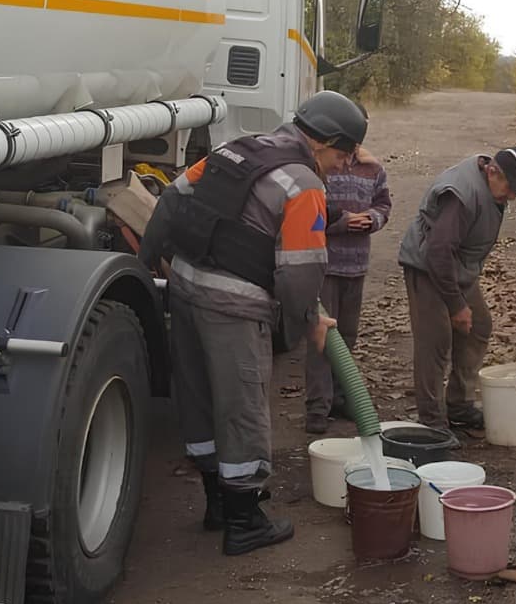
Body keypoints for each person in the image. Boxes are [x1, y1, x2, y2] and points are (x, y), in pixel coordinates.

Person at [137, 90, 368, 556]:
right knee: (241, 408)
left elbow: (170, 201)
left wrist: (151, 262)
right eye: (344, 155)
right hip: (233, 306)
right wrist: (307, 323)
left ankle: (217, 504)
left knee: (198, 398)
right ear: (323, 141)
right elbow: (301, 268)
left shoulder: (236, 149)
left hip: (184, 286)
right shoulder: (304, 184)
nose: (344, 166)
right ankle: (244, 522)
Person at [397, 146, 516, 431]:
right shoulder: (460, 195)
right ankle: (432, 422)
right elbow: (438, 253)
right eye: (511, 188)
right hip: (427, 268)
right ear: (493, 171)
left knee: (479, 327)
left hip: (457, 267)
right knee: (435, 342)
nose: (511, 196)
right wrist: (456, 305)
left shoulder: (490, 182)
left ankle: (460, 405)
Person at [303, 139, 392, 434]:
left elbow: (384, 204)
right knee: (323, 339)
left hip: (357, 266)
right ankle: (317, 406)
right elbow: (310, 215)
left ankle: (340, 398)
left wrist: (372, 219)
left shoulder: (372, 167)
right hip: (326, 264)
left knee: (348, 336)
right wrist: (343, 223)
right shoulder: (320, 167)